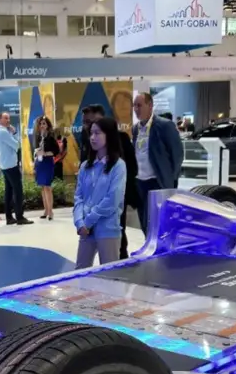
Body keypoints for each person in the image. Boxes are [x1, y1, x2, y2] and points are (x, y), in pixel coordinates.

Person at [80, 104, 138, 258]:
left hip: (114, 198)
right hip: (91, 206)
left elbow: (132, 167)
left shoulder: (122, 141)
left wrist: (123, 190)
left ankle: (122, 262)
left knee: (116, 238)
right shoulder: (87, 140)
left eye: (91, 122)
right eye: (86, 123)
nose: (90, 128)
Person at [73, 116, 126, 270]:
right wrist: (79, 222)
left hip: (108, 229)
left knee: (109, 276)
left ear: (108, 135)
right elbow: (78, 197)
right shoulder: (85, 166)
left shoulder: (118, 166)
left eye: (97, 133)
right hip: (85, 231)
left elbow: (112, 200)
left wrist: (88, 221)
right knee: (80, 271)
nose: (92, 137)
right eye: (91, 133)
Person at [132, 92, 184, 236]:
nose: (136, 109)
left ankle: (159, 250)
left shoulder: (164, 125)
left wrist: (170, 180)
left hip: (157, 181)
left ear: (150, 106)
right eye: (134, 106)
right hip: (140, 182)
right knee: (143, 219)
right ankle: (148, 245)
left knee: (157, 221)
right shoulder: (135, 129)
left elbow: (177, 154)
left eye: (139, 105)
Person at [0, 112, 32, 225]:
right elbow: (17, 145)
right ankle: (19, 217)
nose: (8, 120)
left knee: (9, 192)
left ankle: (9, 217)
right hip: (10, 165)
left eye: (9, 118)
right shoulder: (3, 132)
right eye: (5, 118)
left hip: (6, 165)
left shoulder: (2, 132)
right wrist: (14, 132)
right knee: (18, 191)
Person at [33, 116, 59, 221]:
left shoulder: (51, 137)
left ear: (47, 125)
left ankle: (51, 212)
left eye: (44, 123)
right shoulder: (37, 137)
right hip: (39, 163)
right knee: (43, 188)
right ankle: (46, 210)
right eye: (40, 124)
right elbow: (34, 150)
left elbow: (56, 151)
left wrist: (45, 153)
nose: (42, 126)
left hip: (47, 162)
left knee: (47, 187)